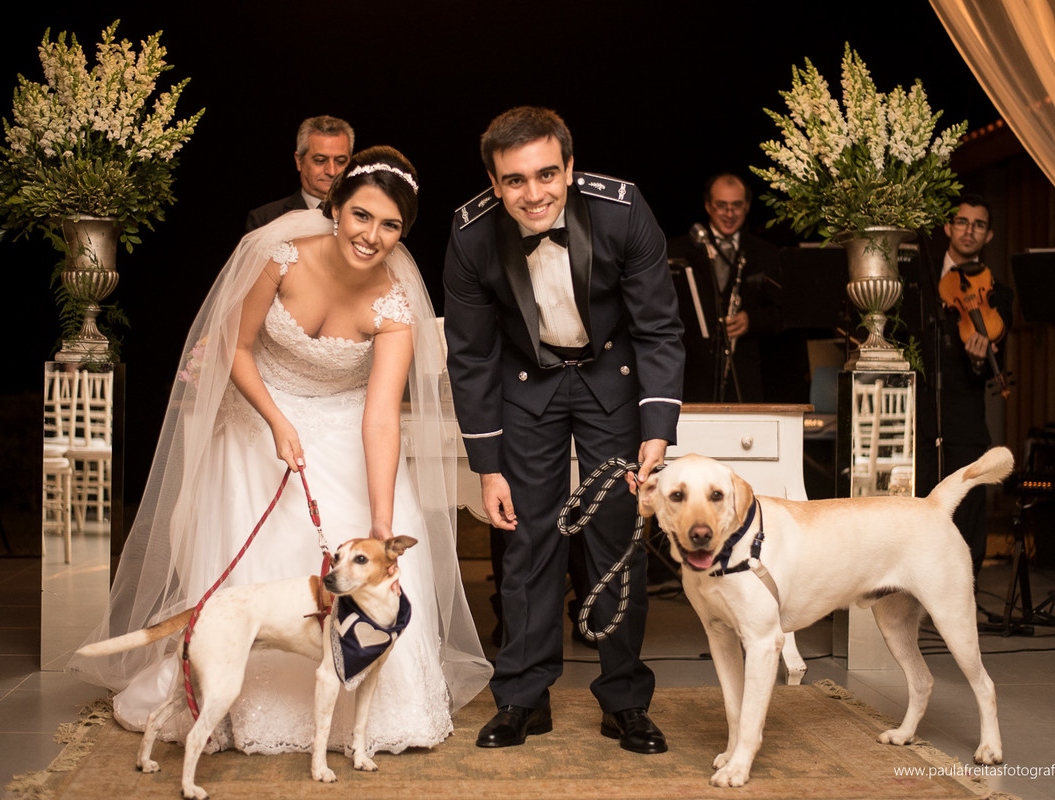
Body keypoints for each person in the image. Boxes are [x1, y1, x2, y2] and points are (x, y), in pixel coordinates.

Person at [70, 146, 491, 757]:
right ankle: (229, 702)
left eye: (391, 225)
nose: (372, 236)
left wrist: (379, 523)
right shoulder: (280, 256)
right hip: (259, 416)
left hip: (345, 427)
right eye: (362, 216)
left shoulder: (395, 304)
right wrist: (275, 421)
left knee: (356, 565)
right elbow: (235, 349)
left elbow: (379, 418)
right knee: (255, 576)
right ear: (335, 208)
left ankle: (363, 716)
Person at [444, 106, 684, 754]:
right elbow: (470, 357)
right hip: (528, 389)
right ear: (495, 184)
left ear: (570, 169)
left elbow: (659, 326)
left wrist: (656, 432)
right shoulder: (470, 236)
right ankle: (522, 698)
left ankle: (626, 702)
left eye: (547, 174)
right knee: (528, 543)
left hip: (612, 379)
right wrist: (489, 467)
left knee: (614, 539)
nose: (534, 193)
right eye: (515, 181)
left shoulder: (621, 210)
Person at [907, 195, 1013, 580]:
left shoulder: (998, 295)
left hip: (964, 412)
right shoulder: (918, 277)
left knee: (966, 503)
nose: (969, 230)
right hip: (918, 408)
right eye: (962, 222)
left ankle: (962, 591)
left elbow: (986, 372)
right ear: (948, 228)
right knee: (916, 504)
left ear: (989, 236)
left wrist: (979, 358)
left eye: (979, 225)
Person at [666, 172, 805, 402]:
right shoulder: (677, 251)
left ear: (747, 206)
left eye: (736, 206)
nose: (729, 214)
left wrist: (752, 320)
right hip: (691, 378)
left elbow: (787, 313)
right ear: (708, 207)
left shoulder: (768, 254)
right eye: (722, 206)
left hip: (745, 380)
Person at [245, 116, 355, 231]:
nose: (332, 171)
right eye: (320, 160)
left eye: (340, 161)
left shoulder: (365, 213)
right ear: (299, 161)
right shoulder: (265, 219)